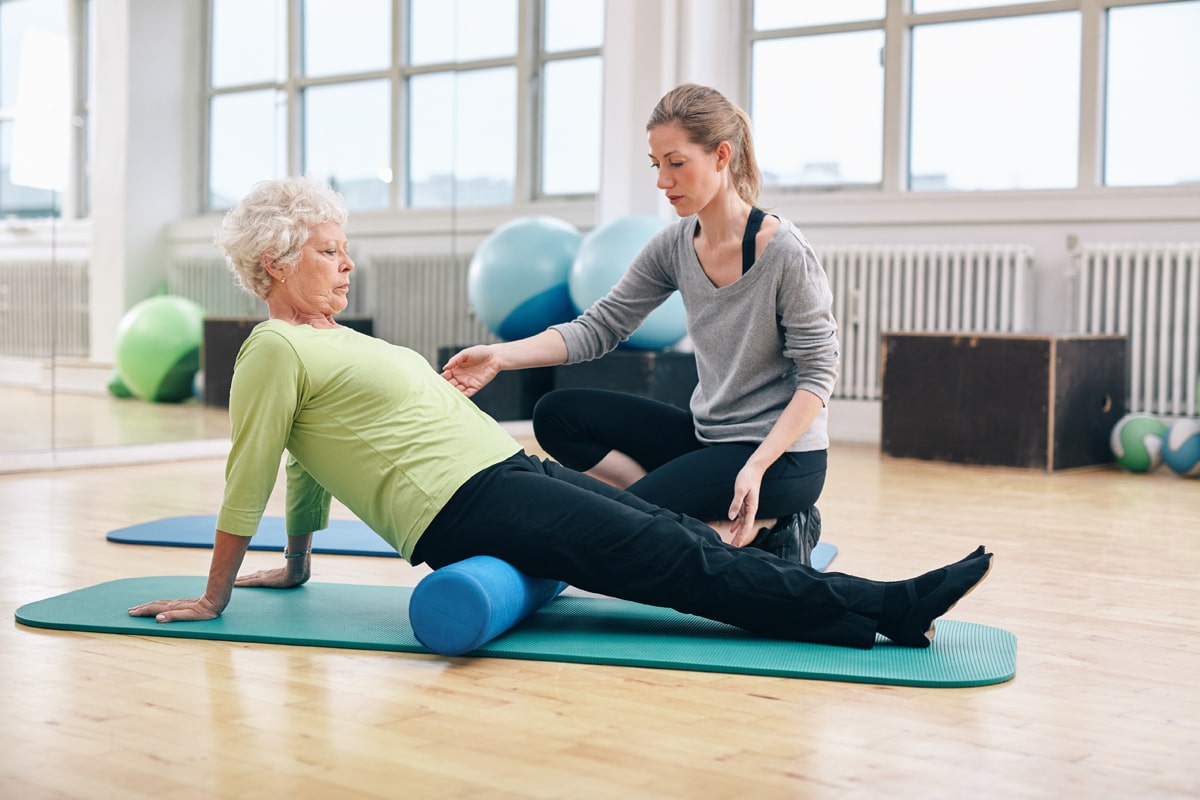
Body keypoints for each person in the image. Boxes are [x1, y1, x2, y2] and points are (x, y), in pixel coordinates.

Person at [128, 176, 993, 651]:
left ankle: (860, 616)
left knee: (684, 543)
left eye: (347, 250)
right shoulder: (275, 349)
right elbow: (260, 461)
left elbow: (309, 461)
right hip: (467, 506)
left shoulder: (332, 340)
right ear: (277, 263)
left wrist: (303, 561)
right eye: (328, 251)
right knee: (671, 559)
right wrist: (217, 594)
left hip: (509, 475)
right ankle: (890, 603)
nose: (347, 266)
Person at [442, 84, 832, 566]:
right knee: (557, 413)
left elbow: (818, 375)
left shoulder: (785, 252)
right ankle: (656, 506)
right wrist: (500, 356)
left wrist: (756, 466)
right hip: (709, 436)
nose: (662, 180)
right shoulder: (672, 246)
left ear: (721, 156)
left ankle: (778, 524)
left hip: (782, 458)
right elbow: (599, 327)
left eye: (675, 162)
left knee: (617, 535)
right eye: (656, 165)